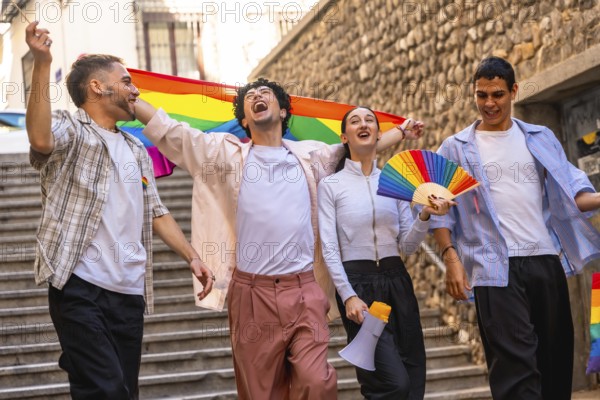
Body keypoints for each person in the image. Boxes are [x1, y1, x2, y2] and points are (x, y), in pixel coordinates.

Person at [133, 79, 424, 399]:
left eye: (265, 94)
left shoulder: (313, 156)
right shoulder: (225, 155)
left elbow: (359, 145)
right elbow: (174, 131)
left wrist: (402, 130)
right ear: (244, 120)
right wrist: (131, 100)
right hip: (251, 295)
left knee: (318, 383)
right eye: (250, 97)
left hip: (303, 291)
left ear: (283, 110)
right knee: (261, 392)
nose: (257, 96)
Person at [24, 21, 214, 400]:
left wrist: (191, 256)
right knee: (105, 390)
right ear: (97, 86)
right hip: (79, 284)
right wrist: (43, 63)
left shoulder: (136, 149)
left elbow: (155, 210)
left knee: (123, 391)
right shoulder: (71, 131)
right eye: (126, 81)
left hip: (128, 291)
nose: (135, 89)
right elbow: (41, 138)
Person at [430, 56, 600, 400]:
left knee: (555, 361)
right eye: (481, 95)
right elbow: (440, 212)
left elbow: (573, 191)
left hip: (545, 261)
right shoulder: (456, 147)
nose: (489, 103)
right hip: (495, 269)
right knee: (514, 369)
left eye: (497, 95)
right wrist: (451, 258)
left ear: (514, 92)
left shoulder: (540, 137)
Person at [318, 106, 455, 400]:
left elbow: (406, 245)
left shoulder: (394, 181)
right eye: (355, 121)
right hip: (361, 288)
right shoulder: (331, 185)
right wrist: (348, 295)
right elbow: (330, 247)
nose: (363, 124)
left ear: (379, 134)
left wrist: (425, 216)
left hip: (397, 282)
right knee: (390, 383)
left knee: (413, 372)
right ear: (345, 137)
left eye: (370, 120)